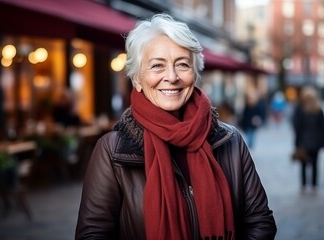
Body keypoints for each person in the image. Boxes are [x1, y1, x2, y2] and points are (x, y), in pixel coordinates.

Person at [76, 13, 276, 240]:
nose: (171, 77)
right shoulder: (111, 151)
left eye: (182, 64)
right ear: (137, 79)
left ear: (195, 73)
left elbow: (260, 223)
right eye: (157, 66)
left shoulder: (230, 140)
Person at [292, 86, 324, 192]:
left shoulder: (299, 109)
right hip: (316, 142)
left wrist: (297, 142)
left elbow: (297, 127)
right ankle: (314, 185)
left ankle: (304, 184)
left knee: (303, 164)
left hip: (303, 142)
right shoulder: (318, 110)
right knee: (315, 164)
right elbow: (322, 127)